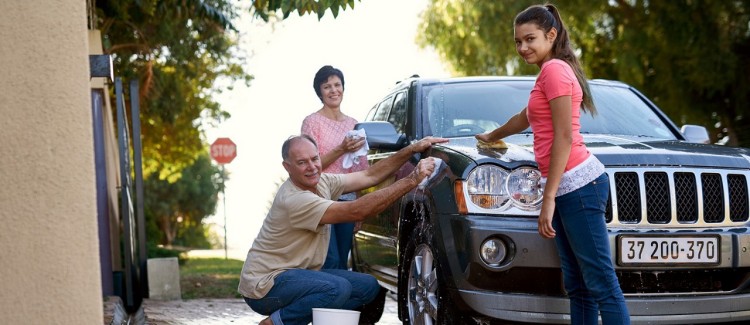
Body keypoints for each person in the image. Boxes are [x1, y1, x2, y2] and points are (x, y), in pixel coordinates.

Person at [476, 4, 630, 325]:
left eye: (530, 39)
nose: (522, 48)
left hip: (578, 186)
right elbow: (525, 117)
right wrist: (492, 134)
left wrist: (547, 199)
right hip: (568, 187)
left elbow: (564, 137)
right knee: (578, 285)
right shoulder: (548, 73)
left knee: (601, 282)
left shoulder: (555, 70)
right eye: (518, 42)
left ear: (551, 35)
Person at [238, 134, 448, 325]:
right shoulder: (294, 199)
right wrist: (412, 179)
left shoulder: (322, 182)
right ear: (287, 167)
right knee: (337, 289)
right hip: (264, 287)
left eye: (314, 158)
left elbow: (369, 176)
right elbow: (358, 211)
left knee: (368, 286)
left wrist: (411, 149)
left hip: (296, 274)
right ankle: (276, 322)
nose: (311, 167)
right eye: (302, 162)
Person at [301, 65, 367, 271]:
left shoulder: (354, 124)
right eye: (327, 86)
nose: (333, 90)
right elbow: (311, 166)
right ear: (319, 92)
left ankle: (338, 303)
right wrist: (341, 149)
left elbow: (362, 168)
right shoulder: (312, 122)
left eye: (337, 85)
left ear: (343, 89)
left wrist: (361, 208)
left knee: (341, 262)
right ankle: (323, 300)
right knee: (328, 260)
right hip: (321, 199)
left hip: (348, 201)